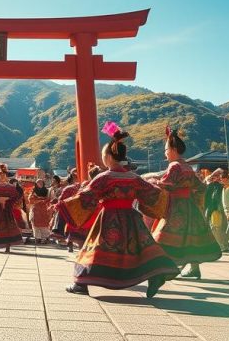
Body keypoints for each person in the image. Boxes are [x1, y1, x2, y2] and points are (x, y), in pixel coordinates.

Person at [59, 125, 180, 298]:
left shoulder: (104, 177)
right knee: (143, 248)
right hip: (131, 219)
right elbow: (152, 193)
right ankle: (157, 273)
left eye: (103, 156)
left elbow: (87, 196)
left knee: (95, 247)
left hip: (108, 218)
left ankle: (81, 284)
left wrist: (64, 205)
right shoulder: (133, 177)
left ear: (108, 156)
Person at [150, 127, 222, 278]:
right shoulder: (187, 166)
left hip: (176, 207)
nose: (165, 152)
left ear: (173, 149)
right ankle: (193, 268)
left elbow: (167, 184)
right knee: (190, 239)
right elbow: (200, 187)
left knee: (164, 238)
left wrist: (153, 182)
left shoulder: (174, 166)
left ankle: (166, 268)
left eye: (166, 149)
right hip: (190, 206)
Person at [203, 169, 228, 251]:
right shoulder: (211, 186)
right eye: (215, 177)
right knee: (214, 228)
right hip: (211, 209)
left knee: (217, 228)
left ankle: (221, 245)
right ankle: (218, 245)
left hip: (217, 209)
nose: (217, 178)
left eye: (218, 176)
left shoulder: (220, 186)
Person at [27, 179, 52, 244]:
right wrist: (40, 200)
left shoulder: (47, 191)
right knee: (35, 224)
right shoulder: (33, 191)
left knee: (44, 224)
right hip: (35, 209)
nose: (39, 184)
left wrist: (40, 200)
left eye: (41, 182)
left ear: (43, 183)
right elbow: (30, 199)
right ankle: (37, 238)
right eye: (38, 183)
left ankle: (44, 238)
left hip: (44, 209)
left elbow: (49, 199)